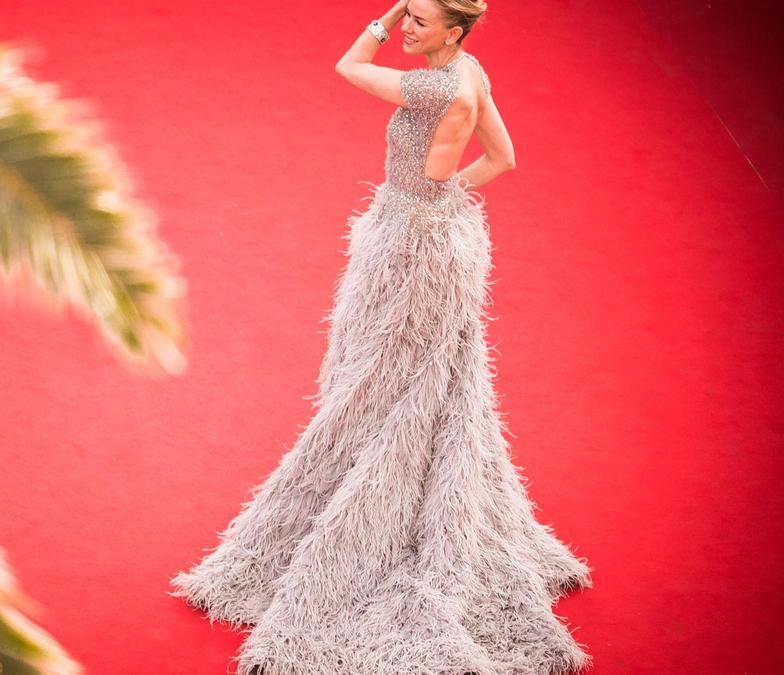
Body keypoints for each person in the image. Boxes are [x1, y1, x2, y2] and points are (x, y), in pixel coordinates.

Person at [168, 0, 594, 673]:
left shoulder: (431, 84)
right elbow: (503, 159)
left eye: (419, 22)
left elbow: (348, 67)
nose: (408, 30)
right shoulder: (472, 71)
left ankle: (373, 527)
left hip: (409, 247)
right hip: (443, 231)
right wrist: (444, 197)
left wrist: (380, 17)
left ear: (452, 30)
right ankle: (423, 505)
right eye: (407, 18)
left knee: (383, 379)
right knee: (424, 379)